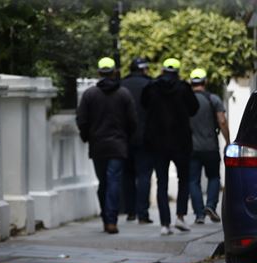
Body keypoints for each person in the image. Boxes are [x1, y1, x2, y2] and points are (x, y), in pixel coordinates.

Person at [76, 57, 137, 234]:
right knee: (113, 182)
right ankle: (111, 219)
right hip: (118, 145)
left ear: (98, 73)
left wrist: (87, 137)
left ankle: (106, 217)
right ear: (114, 72)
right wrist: (127, 138)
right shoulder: (124, 94)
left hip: (98, 145)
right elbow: (133, 121)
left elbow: (82, 119)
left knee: (104, 182)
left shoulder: (89, 94)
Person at [141, 58, 199, 236]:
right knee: (184, 180)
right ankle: (180, 217)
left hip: (158, 143)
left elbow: (143, 105)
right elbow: (193, 109)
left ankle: (165, 223)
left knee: (162, 183)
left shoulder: (152, 88)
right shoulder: (184, 88)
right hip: (181, 143)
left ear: (163, 70)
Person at [188, 68, 230, 224]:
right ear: (205, 82)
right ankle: (211, 205)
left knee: (193, 181)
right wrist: (228, 141)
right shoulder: (213, 99)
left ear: (191, 82)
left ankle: (199, 214)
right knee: (213, 177)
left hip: (191, 148)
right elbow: (222, 121)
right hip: (210, 147)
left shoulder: (186, 101)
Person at [120, 57, 154, 224]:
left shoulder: (121, 85)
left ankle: (130, 211)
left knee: (127, 175)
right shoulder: (150, 84)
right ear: (144, 69)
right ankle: (143, 213)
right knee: (144, 176)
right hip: (146, 137)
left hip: (125, 137)